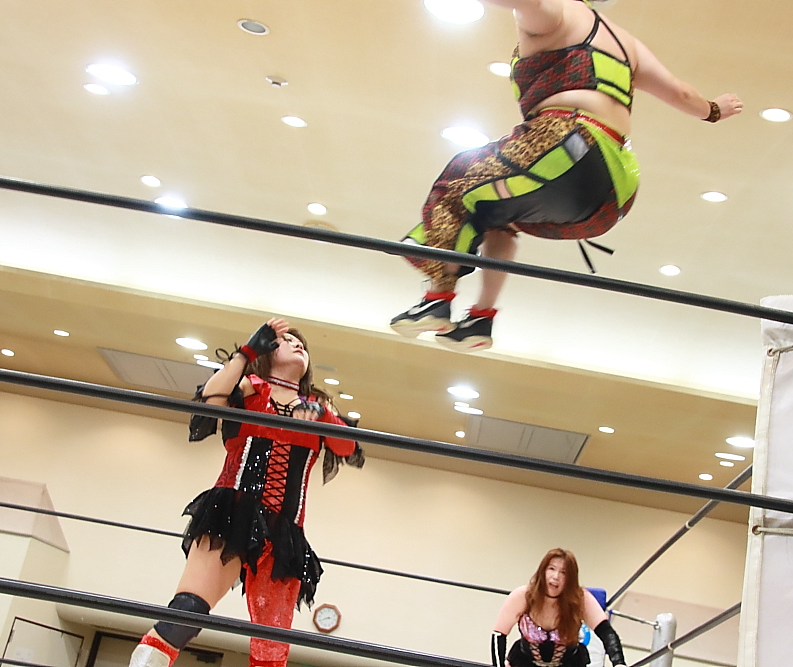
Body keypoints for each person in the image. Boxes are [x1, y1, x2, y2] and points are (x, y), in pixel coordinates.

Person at [392, 0, 742, 352]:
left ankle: (438, 297)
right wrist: (713, 110)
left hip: (564, 143)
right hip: (615, 189)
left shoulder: (557, 14)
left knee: (457, 181)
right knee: (497, 215)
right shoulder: (628, 45)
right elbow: (681, 93)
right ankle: (480, 319)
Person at [128, 319, 364, 667]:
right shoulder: (251, 387)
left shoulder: (317, 408)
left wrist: (324, 415)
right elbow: (211, 398)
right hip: (233, 512)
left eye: (301, 343)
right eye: (286, 340)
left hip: (284, 533)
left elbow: (348, 448)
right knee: (187, 612)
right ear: (268, 352)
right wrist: (246, 352)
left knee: (272, 653)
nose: (298, 345)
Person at [491, 548, 626, 667]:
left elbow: (606, 632)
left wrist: (619, 663)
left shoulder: (580, 599)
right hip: (525, 662)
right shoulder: (523, 596)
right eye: (551, 569)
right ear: (543, 571)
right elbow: (499, 634)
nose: (556, 577)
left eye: (563, 572)